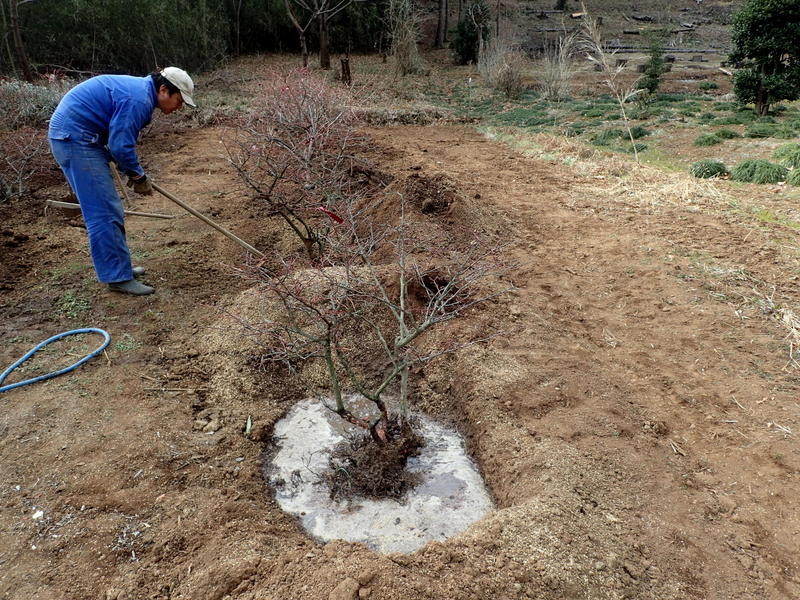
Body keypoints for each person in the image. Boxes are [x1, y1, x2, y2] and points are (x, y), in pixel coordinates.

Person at [48, 67, 196, 296]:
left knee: (110, 209)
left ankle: (120, 268)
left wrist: (133, 171)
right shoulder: (138, 99)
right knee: (104, 211)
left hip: (84, 138)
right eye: (179, 100)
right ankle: (117, 277)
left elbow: (118, 140)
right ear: (164, 89)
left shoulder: (141, 93)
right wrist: (138, 176)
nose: (179, 108)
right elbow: (120, 147)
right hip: (75, 140)